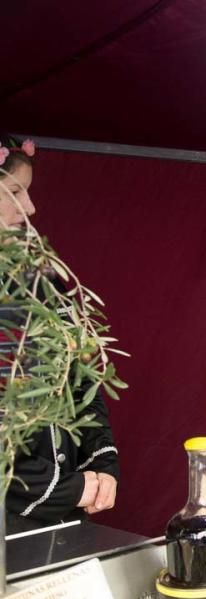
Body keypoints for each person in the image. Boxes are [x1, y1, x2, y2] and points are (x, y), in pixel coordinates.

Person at [0, 134, 120, 530]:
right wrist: (62, 488)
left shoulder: (44, 283)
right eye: (15, 191)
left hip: (63, 514)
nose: (30, 207)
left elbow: (81, 375)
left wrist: (102, 464)